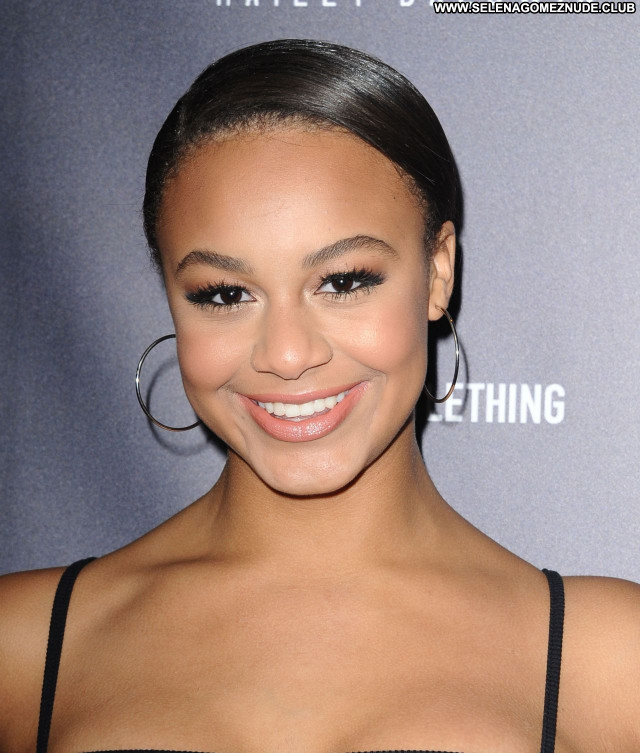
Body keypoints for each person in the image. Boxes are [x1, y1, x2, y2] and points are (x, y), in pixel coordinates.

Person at [0, 38, 638, 753]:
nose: (287, 354)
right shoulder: (23, 646)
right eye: (225, 294)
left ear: (438, 273)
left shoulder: (609, 662)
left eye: (343, 281)